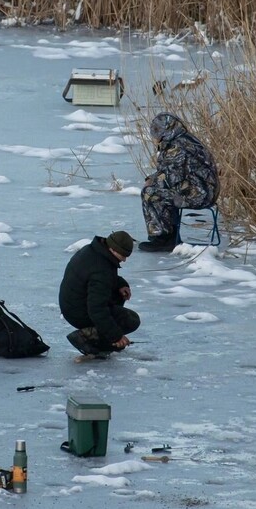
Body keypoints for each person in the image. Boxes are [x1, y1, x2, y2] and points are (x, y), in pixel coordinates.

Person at [138, 112, 220, 252]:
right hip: (202, 189)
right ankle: (169, 235)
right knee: (159, 190)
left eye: (156, 133)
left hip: (200, 194)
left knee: (150, 194)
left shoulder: (177, 148)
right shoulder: (183, 140)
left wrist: (151, 183)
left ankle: (164, 238)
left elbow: (172, 178)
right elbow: (170, 171)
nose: (155, 137)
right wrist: (152, 179)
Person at [58, 230, 141, 359]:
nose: (124, 260)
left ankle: (101, 334)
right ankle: (87, 337)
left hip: (72, 304)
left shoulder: (95, 251)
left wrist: (121, 284)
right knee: (131, 320)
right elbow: (97, 309)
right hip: (78, 311)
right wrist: (116, 336)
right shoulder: (102, 270)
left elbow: (99, 278)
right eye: (123, 255)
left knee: (118, 295)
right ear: (113, 249)